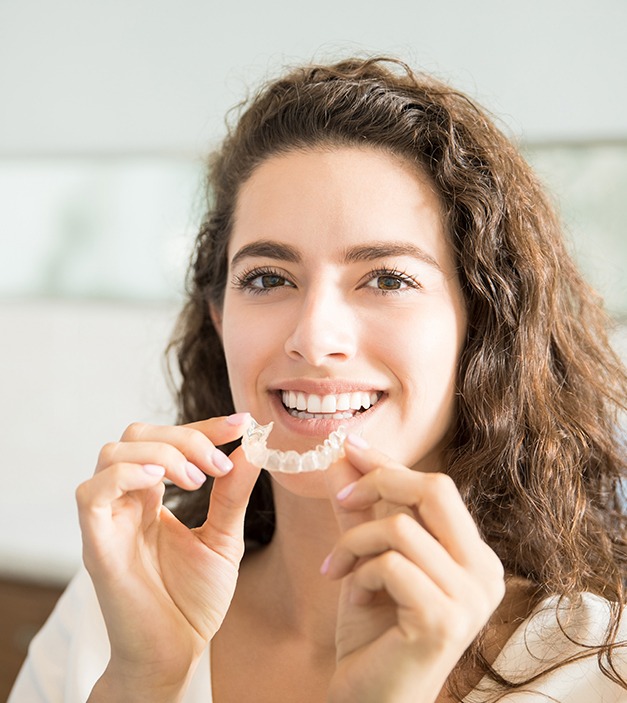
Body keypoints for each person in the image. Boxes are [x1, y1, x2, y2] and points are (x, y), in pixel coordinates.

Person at [9, 56, 627, 703]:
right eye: (268, 278)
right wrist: (143, 681)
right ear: (219, 318)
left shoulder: (595, 668)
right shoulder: (117, 607)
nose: (312, 336)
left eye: (387, 278)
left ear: (481, 325)